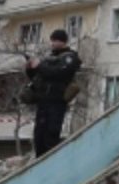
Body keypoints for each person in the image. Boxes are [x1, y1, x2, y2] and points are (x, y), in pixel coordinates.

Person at [25, 29, 81, 158]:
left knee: (51, 134)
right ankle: (39, 159)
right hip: (43, 101)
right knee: (39, 135)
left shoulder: (70, 57)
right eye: (52, 40)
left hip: (57, 101)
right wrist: (30, 68)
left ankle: (49, 161)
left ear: (63, 41)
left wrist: (39, 66)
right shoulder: (50, 58)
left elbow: (57, 73)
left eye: (55, 40)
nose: (53, 43)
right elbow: (38, 77)